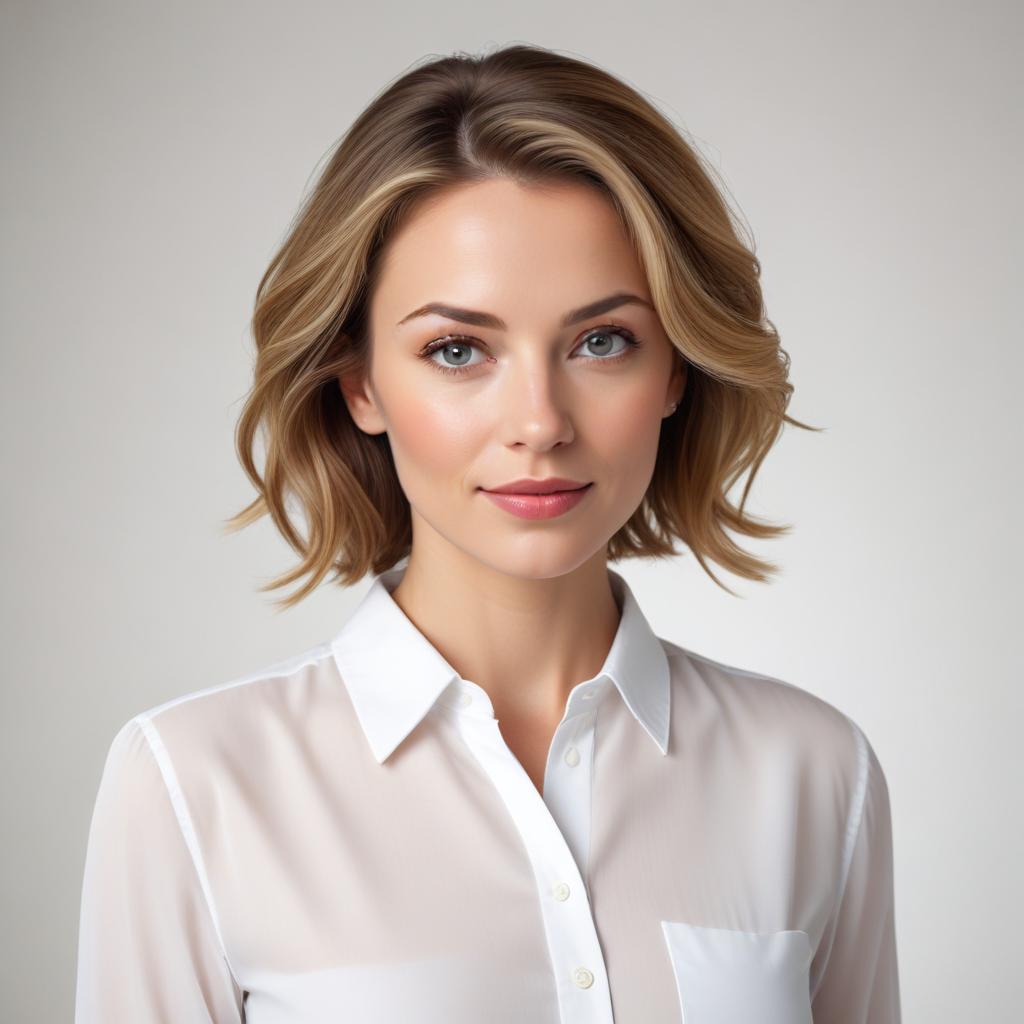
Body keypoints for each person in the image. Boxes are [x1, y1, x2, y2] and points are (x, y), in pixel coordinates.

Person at [74, 43, 901, 1023]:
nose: (540, 421)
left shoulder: (812, 773)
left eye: (603, 341)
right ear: (362, 385)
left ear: (675, 367)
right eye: (457, 350)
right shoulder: (192, 784)